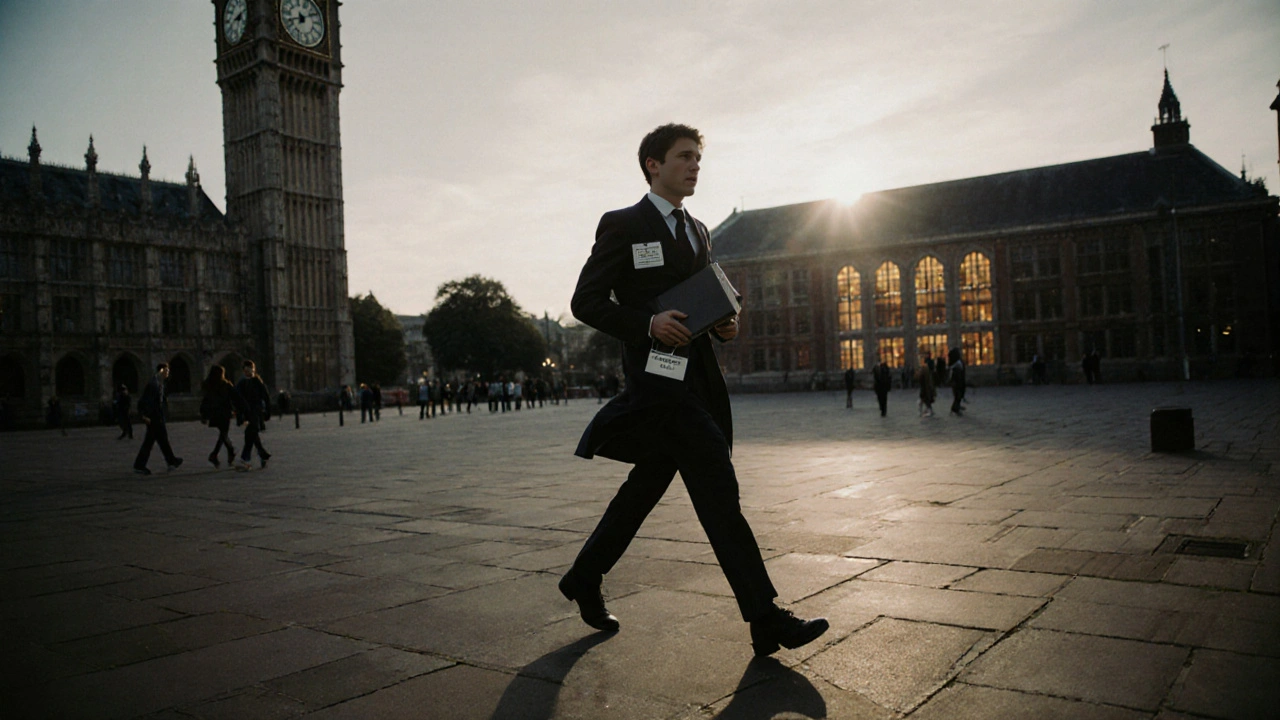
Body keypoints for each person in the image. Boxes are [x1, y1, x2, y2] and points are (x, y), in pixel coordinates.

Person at [560, 123, 828, 656]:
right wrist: (647, 324)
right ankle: (765, 617)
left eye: (698, 159)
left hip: (700, 383)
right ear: (653, 165)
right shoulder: (623, 224)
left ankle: (584, 577)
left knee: (642, 493)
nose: (694, 166)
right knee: (718, 492)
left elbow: (708, 298)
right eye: (684, 157)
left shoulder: (700, 231)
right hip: (660, 389)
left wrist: (725, 324)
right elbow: (585, 302)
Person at [133, 363, 182, 475]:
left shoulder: (158, 384)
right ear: (161, 370)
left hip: (157, 417)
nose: (168, 373)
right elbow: (145, 401)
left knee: (162, 440)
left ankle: (171, 461)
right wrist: (144, 415)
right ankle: (140, 465)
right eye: (166, 371)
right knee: (150, 442)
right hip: (154, 418)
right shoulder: (153, 384)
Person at [200, 365, 246, 468]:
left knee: (223, 434)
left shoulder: (208, 385)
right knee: (223, 434)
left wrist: (203, 414)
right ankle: (215, 454)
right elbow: (236, 397)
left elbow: (205, 400)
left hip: (214, 413)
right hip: (224, 413)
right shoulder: (226, 384)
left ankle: (229, 452)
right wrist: (242, 408)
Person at [235, 360, 272, 470]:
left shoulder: (257, 382)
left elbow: (266, 398)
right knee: (253, 435)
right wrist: (239, 416)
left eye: (250, 370)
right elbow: (238, 401)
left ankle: (245, 458)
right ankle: (262, 454)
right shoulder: (241, 383)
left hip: (256, 412)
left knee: (249, 434)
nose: (248, 372)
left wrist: (267, 412)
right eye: (246, 370)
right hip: (247, 413)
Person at [947, 347, 966, 416]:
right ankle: (955, 409)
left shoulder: (955, 363)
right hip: (957, 382)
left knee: (958, 395)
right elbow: (956, 375)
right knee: (957, 396)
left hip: (957, 382)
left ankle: (956, 407)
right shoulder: (956, 364)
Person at [918, 352, 937, 416]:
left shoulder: (925, 367)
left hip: (926, 386)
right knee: (925, 398)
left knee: (925, 398)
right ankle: (927, 409)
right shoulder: (926, 368)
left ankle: (926, 410)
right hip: (926, 386)